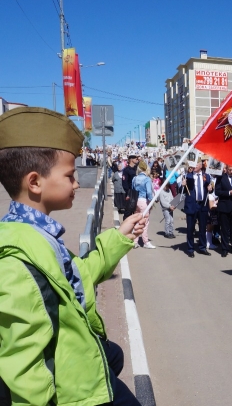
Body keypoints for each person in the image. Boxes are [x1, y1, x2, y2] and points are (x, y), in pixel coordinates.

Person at [0, 107, 145, 405]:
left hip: (78, 369)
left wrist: (121, 237)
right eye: (69, 175)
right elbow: (24, 370)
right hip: (73, 393)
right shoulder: (17, 261)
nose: (78, 183)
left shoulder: (37, 235)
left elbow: (77, 277)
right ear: (35, 182)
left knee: (113, 355)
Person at [183, 160, 213, 258]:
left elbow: (210, 189)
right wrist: (183, 185)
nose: (194, 166)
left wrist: (210, 188)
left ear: (200, 165)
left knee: (202, 227)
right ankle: (190, 249)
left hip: (202, 205)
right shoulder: (188, 176)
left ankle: (202, 247)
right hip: (192, 204)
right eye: (193, 164)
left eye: (196, 164)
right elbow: (181, 191)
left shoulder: (206, 176)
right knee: (190, 228)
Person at [132, 160, 156, 249]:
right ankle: (145, 242)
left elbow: (132, 189)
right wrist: (152, 200)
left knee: (137, 221)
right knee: (145, 222)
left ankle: (135, 241)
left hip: (136, 201)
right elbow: (149, 192)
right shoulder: (147, 179)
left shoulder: (135, 178)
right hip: (144, 201)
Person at [121, 154, 139, 219]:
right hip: (129, 192)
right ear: (131, 160)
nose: (137, 160)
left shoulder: (136, 169)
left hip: (136, 191)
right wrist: (128, 193)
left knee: (135, 211)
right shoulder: (126, 170)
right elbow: (124, 182)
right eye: (135, 159)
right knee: (128, 211)